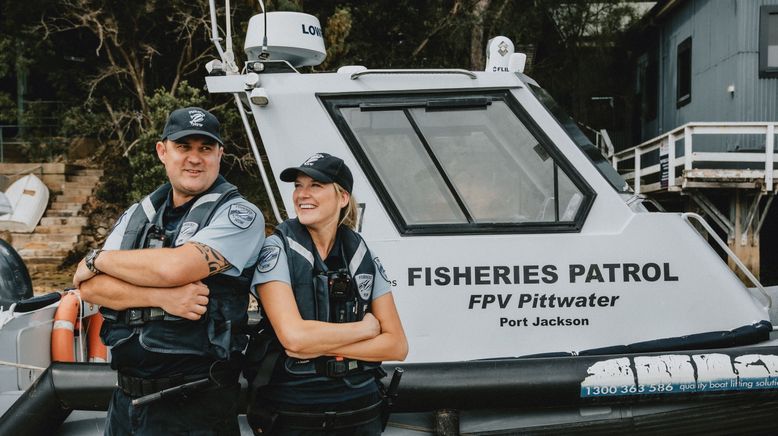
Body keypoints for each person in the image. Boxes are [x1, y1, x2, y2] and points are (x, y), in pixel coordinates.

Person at [73, 106, 265, 436]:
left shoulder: (240, 215)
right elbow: (89, 289)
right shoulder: (139, 214)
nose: (195, 158)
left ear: (220, 153)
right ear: (162, 151)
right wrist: (163, 299)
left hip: (195, 406)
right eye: (183, 147)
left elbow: (176, 268)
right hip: (125, 404)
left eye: (205, 148)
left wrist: (98, 260)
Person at [248, 153, 408, 435]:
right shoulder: (277, 248)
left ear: (343, 197)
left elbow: (396, 346)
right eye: (298, 185)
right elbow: (294, 337)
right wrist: (365, 328)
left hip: (360, 408)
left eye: (316, 185)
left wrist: (315, 346)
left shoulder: (362, 253)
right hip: (295, 409)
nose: (302, 194)